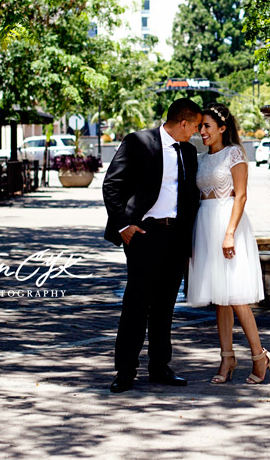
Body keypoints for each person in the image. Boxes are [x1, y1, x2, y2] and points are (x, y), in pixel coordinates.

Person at [102, 98, 203, 393]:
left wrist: (188, 242)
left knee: (165, 306)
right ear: (183, 123)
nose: (196, 132)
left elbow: (188, 198)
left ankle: (159, 367)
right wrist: (123, 226)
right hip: (144, 235)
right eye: (195, 126)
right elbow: (112, 184)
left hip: (175, 238)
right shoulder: (138, 142)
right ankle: (125, 370)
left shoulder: (188, 151)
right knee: (136, 303)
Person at [188, 103, 270, 384]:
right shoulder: (201, 158)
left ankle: (260, 356)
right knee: (220, 299)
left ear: (222, 129)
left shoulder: (234, 153)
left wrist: (229, 233)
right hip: (205, 224)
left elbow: (241, 196)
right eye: (200, 126)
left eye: (207, 126)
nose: (202, 131)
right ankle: (227, 359)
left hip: (228, 225)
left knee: (236, 297)